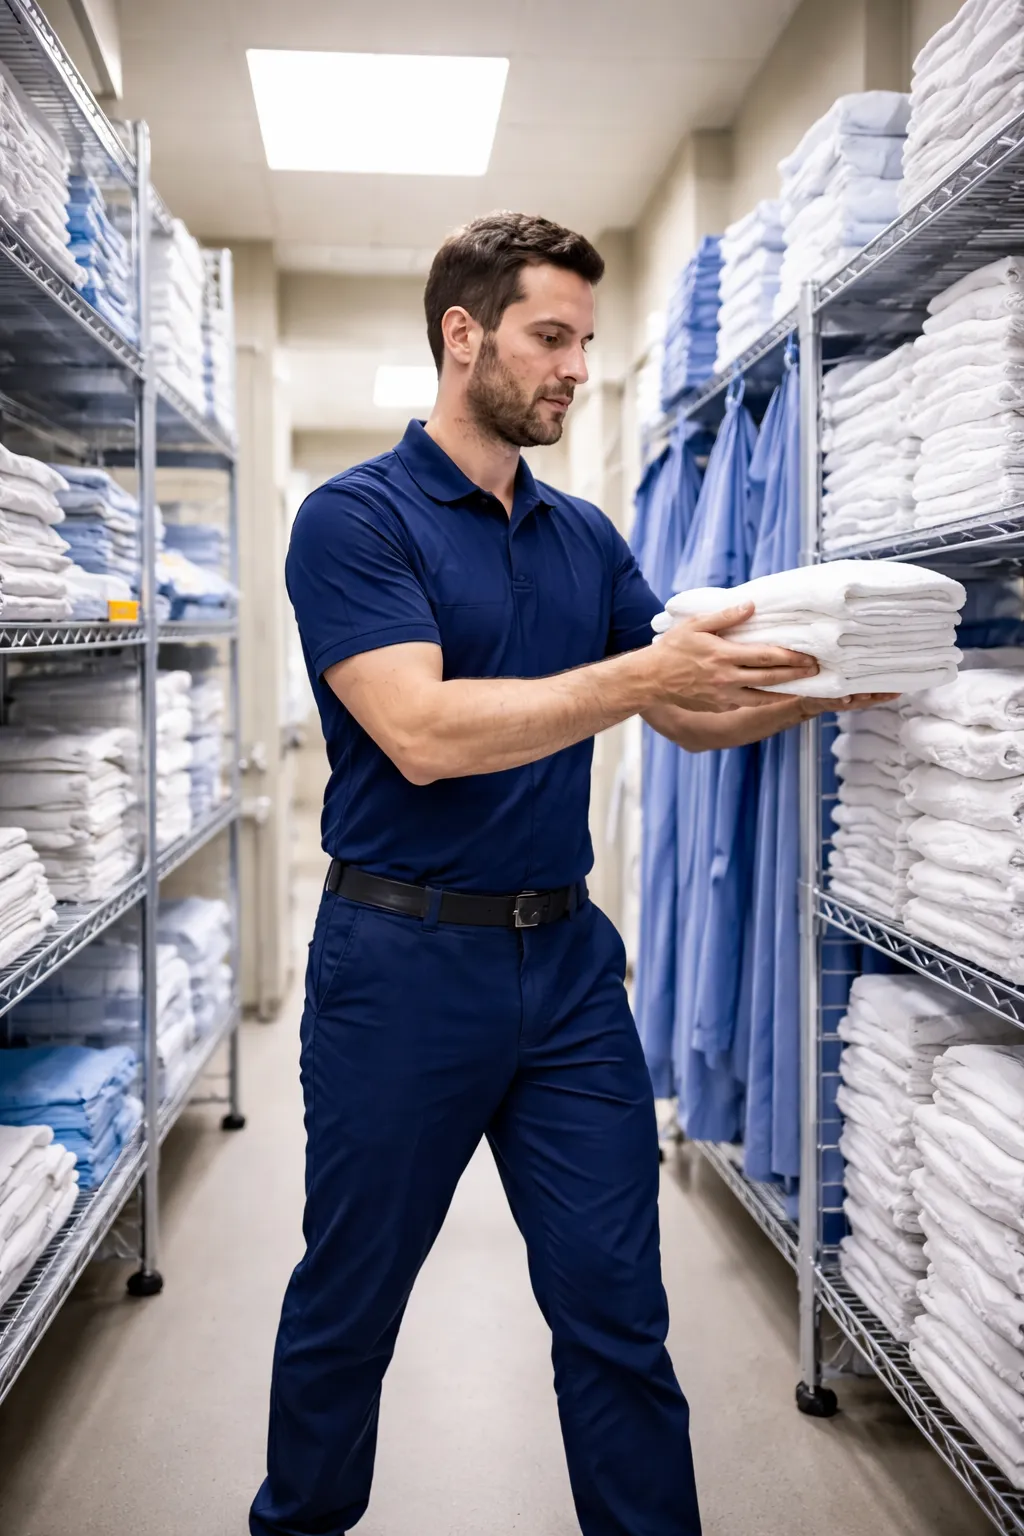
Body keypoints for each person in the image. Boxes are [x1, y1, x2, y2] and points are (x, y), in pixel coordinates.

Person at [251, 211, 887, 1536]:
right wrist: (640, 675)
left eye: (586, 342)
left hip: (570, 976)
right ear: (462, 334)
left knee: (617, 1309)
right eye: (551, 336)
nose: (574, 368)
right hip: (401, 969)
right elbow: (421, 735)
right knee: (350, 1305)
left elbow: (681, 707)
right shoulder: (353, 522)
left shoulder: (581, 534)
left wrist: (832, 682)